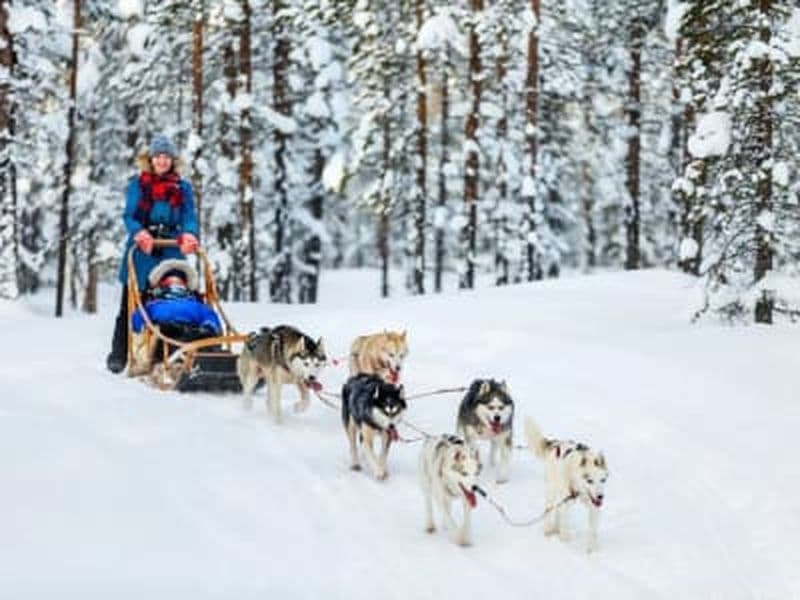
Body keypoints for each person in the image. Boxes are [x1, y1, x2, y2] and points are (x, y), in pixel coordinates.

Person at [106, 134, 200, 374]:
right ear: (151, 159)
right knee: (131, 302)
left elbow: (189, 216)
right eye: (158, 156)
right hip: (142, 250)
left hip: (170, 247)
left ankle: (176, 347)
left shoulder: (183, 187)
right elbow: (130, 216)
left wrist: (189, 234)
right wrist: (139, 233)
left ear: (173, 160)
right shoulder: (139, 184)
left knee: (176, 297)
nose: (162, 161)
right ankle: (119, 354)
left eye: (166, 157)